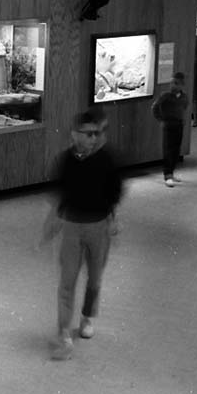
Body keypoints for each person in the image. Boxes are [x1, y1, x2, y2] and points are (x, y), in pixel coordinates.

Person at [41, 109, 124, 360]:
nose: (94, 139)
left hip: (98, 227)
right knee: (67, 281)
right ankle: (64, 330)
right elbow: (60, 193)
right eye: (88, 134)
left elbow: (115, 191)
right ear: (74, 135)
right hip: (72, 227)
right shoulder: (65, 161)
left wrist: (112, 217)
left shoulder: (107, 160)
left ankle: (87, 317)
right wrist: (54, 219)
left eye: (97, 134)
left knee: (95, 279)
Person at [151, 71, 189, 187]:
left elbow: (184, 108)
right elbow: (155, 107)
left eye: (176, 83)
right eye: (172, 83)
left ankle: (171, 172)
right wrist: (161, 119)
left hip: (179, 125)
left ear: (181, 85)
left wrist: (183, 120)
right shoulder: (165, 96)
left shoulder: (184, 97)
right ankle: (167, 174)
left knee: (176, 150)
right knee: (168, 149)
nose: (173, 85)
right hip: (168, 125)